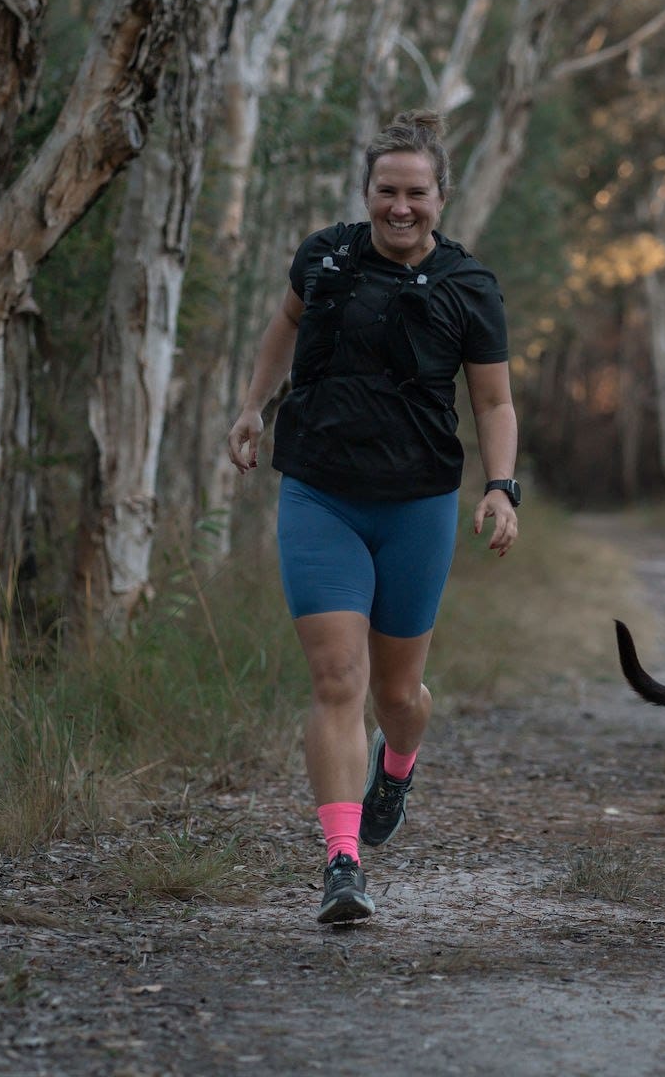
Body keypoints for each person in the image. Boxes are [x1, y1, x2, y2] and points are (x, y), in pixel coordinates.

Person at [226, 110, 521, 924]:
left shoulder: (469, 287)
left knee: (398, 694)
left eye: (416, 193)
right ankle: (342, 863)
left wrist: (501, 487)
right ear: (367, 192)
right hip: (319, 493)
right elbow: (286, 323)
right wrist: (253, 406)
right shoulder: (323, 257)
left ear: (440, 197)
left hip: (417, 505)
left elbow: (494, 401)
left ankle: (398, 763)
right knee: (336, 679)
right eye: (387, 190)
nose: (400, 207)